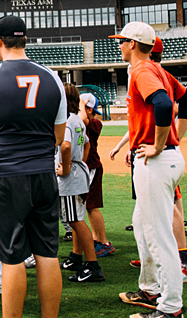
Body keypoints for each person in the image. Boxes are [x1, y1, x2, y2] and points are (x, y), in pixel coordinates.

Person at [0, 15, 66, 318]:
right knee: (48, 254)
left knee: (12, 258)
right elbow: (59, 135)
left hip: (4, 176)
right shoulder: (53, 77)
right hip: (45, 174)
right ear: (25, 40)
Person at [110, 23, 187, 318]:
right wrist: (174, 138)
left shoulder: (143, 71)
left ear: (133, 44)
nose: (119, 45)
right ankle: (150, 288)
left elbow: (161, 104)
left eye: (122, 41)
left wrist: (159, 144)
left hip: (155, 161)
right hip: (166, 158)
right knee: (144, 226)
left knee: (159, 236)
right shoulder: (157, 70)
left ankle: (171, 308)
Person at [57, 83, 104, 283]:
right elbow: (86, 144)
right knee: (77, 217)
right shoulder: (77, 119)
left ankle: (93, 266)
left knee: (76, 221)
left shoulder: (66, 120)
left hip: (70, 178)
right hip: (79, 173)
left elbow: (66, 146)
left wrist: (68, 167)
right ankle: (77, 258)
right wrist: (80, 162)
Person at [79, 93, 114, 258]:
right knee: (89, 206)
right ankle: (96, 238)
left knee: (92, 206)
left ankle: (104, 242)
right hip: (88, 167)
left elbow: (84, 120)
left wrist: (79, 103)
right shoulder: (86, 121)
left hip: (93, 167)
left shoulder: (94, 123)